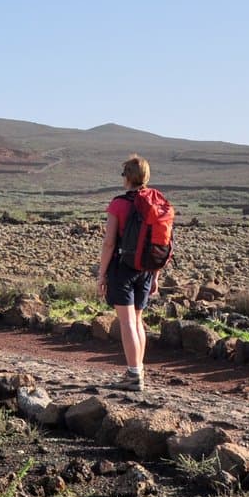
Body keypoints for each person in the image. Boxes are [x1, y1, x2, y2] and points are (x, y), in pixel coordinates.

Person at [97, 154, 160, 391]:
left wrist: (102, 274)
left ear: (128, 177)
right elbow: (158, 243)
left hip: (123, 268)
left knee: (126, 323)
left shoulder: (118, 204)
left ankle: (134, 376)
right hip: (145, 268)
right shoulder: (155, 203)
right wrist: (155, 275)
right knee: (137, 320)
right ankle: (137, 370)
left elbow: (109, 243)